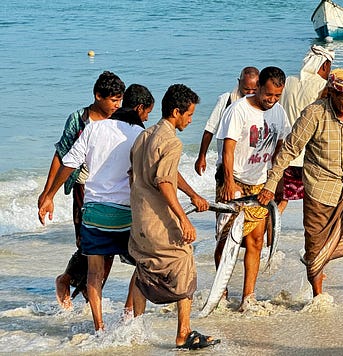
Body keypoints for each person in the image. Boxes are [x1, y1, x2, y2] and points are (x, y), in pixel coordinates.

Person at [38, 84, 153, 331]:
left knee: (94, 273)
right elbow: (149, 174)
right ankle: (128, 314)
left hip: (94, 214)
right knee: (143, 263)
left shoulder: (93, 129)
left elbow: (69, 161)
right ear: (140, 109)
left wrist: (50, 195)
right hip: (126, 214)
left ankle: (99, 328)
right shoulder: (139, 135)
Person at [258, 68, 343, 300]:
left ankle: (317, 264)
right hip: (319, 189)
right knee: (315, 245)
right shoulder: (314, 113)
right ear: (332, 93)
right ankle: (318, 294)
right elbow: (289, 150)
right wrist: (271, 184)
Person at [128, 84, 220, 350]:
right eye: (189, 115)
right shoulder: (172, 141)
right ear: (176, 111)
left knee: (144, 269)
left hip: (139, 218)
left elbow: (162, 173)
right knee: (184, 262)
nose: (191, 120)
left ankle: (135, 330)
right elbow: (164, 182)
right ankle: (183, 332)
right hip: (158, 219)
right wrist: (183, 219)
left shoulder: (145, 136)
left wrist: (193, 194)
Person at [37, 71, 125, 309]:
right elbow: (61, 155)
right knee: (89, 243)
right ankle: (67, 280)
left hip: (111, 190)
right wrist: (48, 195)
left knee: (109, 246)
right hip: (84, 188)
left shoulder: (118, 120)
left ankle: (88, 291)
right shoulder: (79, 119)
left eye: (120, 100)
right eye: (113, 100)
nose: (117, 105)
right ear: (98, 96)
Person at [214, 66, 290, 310]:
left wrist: (274, 179)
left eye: (277, 95)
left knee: (256, 240)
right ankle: (221, 291)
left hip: (260, 184)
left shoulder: (278, 112)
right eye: (268, 94)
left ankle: (249, 297)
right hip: (234, 180)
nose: (272, 100)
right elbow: (228, 149)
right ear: (257, 87)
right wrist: (228, 182)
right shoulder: (238, 110)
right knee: (227, 240)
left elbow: (281, 145)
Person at [277, 45, 335, 212]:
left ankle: (267, 235)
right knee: (313, 202)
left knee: (280, 200)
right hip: (310, 155)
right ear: (324, 65)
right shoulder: (323, 87)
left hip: (286, 153)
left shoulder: (288, 81)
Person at [194, 66, 259, 176]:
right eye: (246, 89)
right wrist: (202, 156)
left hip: (252, 168)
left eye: (254, 89)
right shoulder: (226, 100)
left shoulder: (261, 105)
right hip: (226, 167)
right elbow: (209, 130)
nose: (250, 92)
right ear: (239, 82)